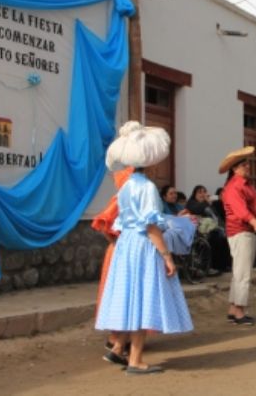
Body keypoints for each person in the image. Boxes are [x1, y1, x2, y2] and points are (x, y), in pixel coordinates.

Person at [95, 121, 193, 374]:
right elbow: (151, 226)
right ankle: (135, 359)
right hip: (142, 245)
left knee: (130, 296)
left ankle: (118, 349)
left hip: (126, 245)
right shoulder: (147, 187)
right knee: (144, 298)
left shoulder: (126, 185)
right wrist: (167, 256)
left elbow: (121, 220)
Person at [91, 166, 134, 366]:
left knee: (123, 293)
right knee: (120, 293)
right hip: (119, 252)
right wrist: (115, 242)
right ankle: (115, 339)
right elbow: (101, 222)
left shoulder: (129, 199)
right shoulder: (121, 199)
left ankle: (122, 339)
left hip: (124, 250)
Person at [219, 146, 256, 326]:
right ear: (235, 168)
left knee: (239, 272)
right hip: (242, 230)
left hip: (246, 231)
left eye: (247, 164)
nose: (248, 167)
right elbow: (240, 210)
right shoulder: (234, 187)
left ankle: (234, 308)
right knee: (243, 273)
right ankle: (239, 310)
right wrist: (254, 222)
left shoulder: (244, 185)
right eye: (244, 165)